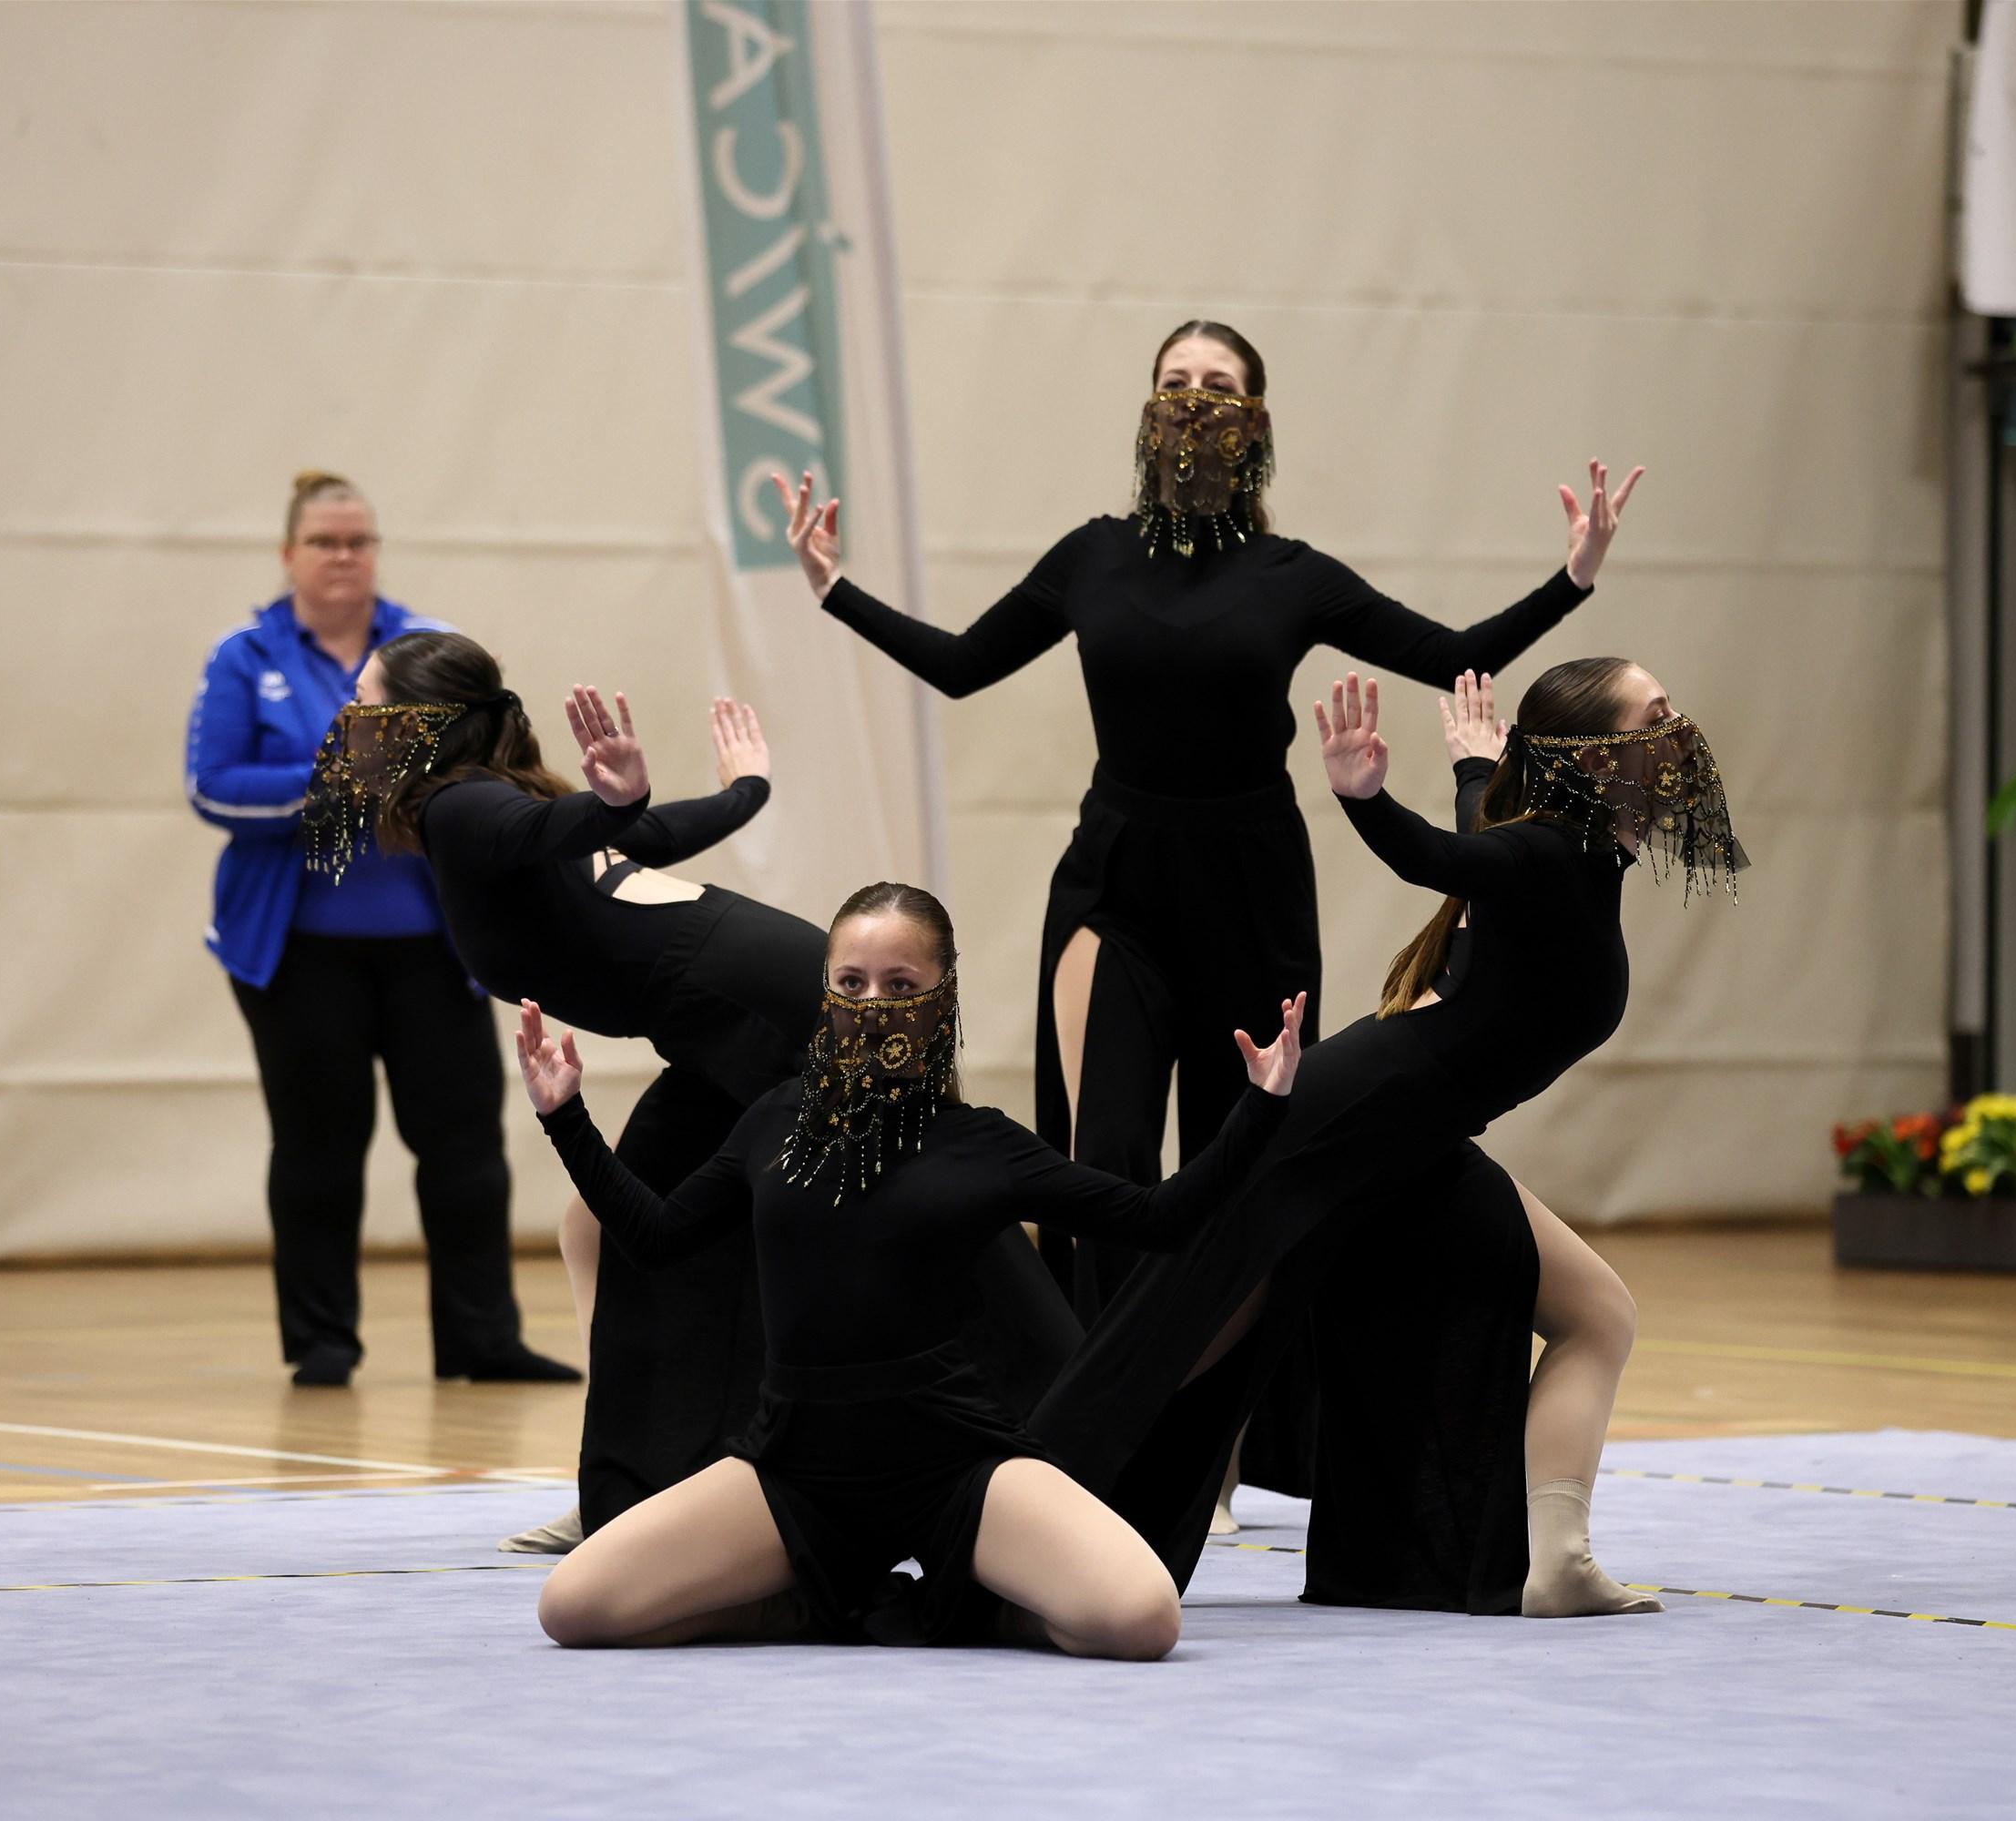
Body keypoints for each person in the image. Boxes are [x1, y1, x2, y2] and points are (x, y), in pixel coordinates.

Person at [789, 319, 1641, 1511]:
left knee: (1240, 1168)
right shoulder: (1090, 557)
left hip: (1253, 891)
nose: (1195, 400)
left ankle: (1214, 1444)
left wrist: (1573, 578)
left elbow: (1454, 654)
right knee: (1104, 1156)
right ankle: (1083, 1433)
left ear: (1257, 420)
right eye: (1176, 381)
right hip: (1115, 885)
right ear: (1147, 408)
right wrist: (835, 591)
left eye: (1220, 384)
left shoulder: (1295, 576)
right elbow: (966, 662)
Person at [321, 635, 1075, 1552]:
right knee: (603, 1226)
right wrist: (742, 790)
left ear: (426, 723)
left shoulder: (461, 806)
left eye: (366, 699)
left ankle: (1078, 1434)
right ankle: (636, 1485)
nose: (348, 719)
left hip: (757, 1006)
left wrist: (618, 799)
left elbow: (573, 829)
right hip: (718, 1015)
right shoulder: (494, 805)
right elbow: (646, 838)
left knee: (917, 1208)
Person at [1031, 658, 1743, 1618]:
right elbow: (1443, 858)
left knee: (1598, 1313)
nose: (1678, 728)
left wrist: (1474, 765)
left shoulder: (1562, 852)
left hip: (1412, 1140)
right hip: (1350, 1116)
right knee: (1179, 1340)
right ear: (1593, 757)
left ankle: (1556, 1562)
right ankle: (1010, 1511)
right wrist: (1364, 799)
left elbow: (1476, 837)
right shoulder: (1548, 855)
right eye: (1654, 714)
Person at [516, 883, 1305, 1654]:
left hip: (953, 1464)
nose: (873, 1004)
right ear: (826, 993)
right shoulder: (774, 1121)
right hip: (794, 1468)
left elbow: (1157, 1219)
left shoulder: (983, 1144)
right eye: (852, 982)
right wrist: (566, 1119)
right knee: (573, 1607)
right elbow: (657, 1238)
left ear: (942, 997)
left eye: (900, 985)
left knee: (1142, 1619)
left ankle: (976, 1615)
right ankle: (801, 1610)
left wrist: (1260, 1107)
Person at [183, 471, 568, 1388]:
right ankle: (323, 1343)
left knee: (465, 1146)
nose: (344, 556)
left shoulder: (424, 643)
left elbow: (482, 760)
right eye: (325, 542)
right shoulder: (243, 655)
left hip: (436, 946)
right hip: (297, 952)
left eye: (359, 541)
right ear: (290, 555)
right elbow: (212, 787)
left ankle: (482, 1340)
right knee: (318, 1147)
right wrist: (333, 782)